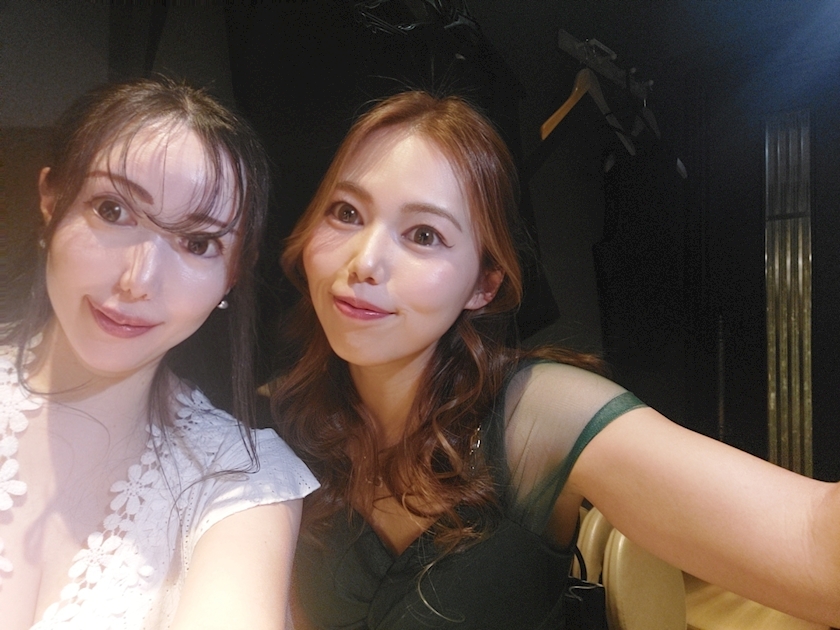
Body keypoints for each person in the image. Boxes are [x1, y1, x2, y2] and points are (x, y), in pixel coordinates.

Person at [271, 90, 840, 629]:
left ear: (484, 284)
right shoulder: (274, 426)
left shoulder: (535, 417)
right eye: (346, 212)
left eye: (423, 234)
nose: (365, 262)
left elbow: (812, 537)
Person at [0, 77, 318, 630]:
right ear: (51, 199)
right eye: (111, 210)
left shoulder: (243, 479)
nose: (138, 281)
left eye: (198, 243)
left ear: (233, 275)